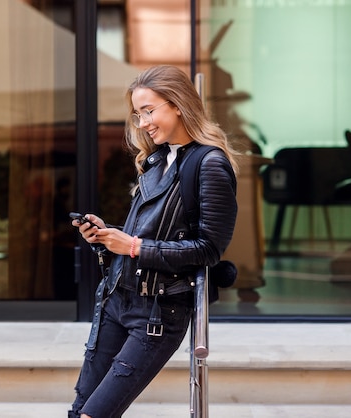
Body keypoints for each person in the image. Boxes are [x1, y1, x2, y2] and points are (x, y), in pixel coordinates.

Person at [69, 65, 239, 418]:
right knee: (81, 409)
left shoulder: (209, 164)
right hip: (118, 300)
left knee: (93, 415)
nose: (143, 122)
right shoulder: (156, 159)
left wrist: (131, 246)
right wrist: (105, 237)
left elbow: (208, 249)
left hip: (159, 313)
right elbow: (147, 235)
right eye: (138, 113)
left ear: (178, 104)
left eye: (149, 110)